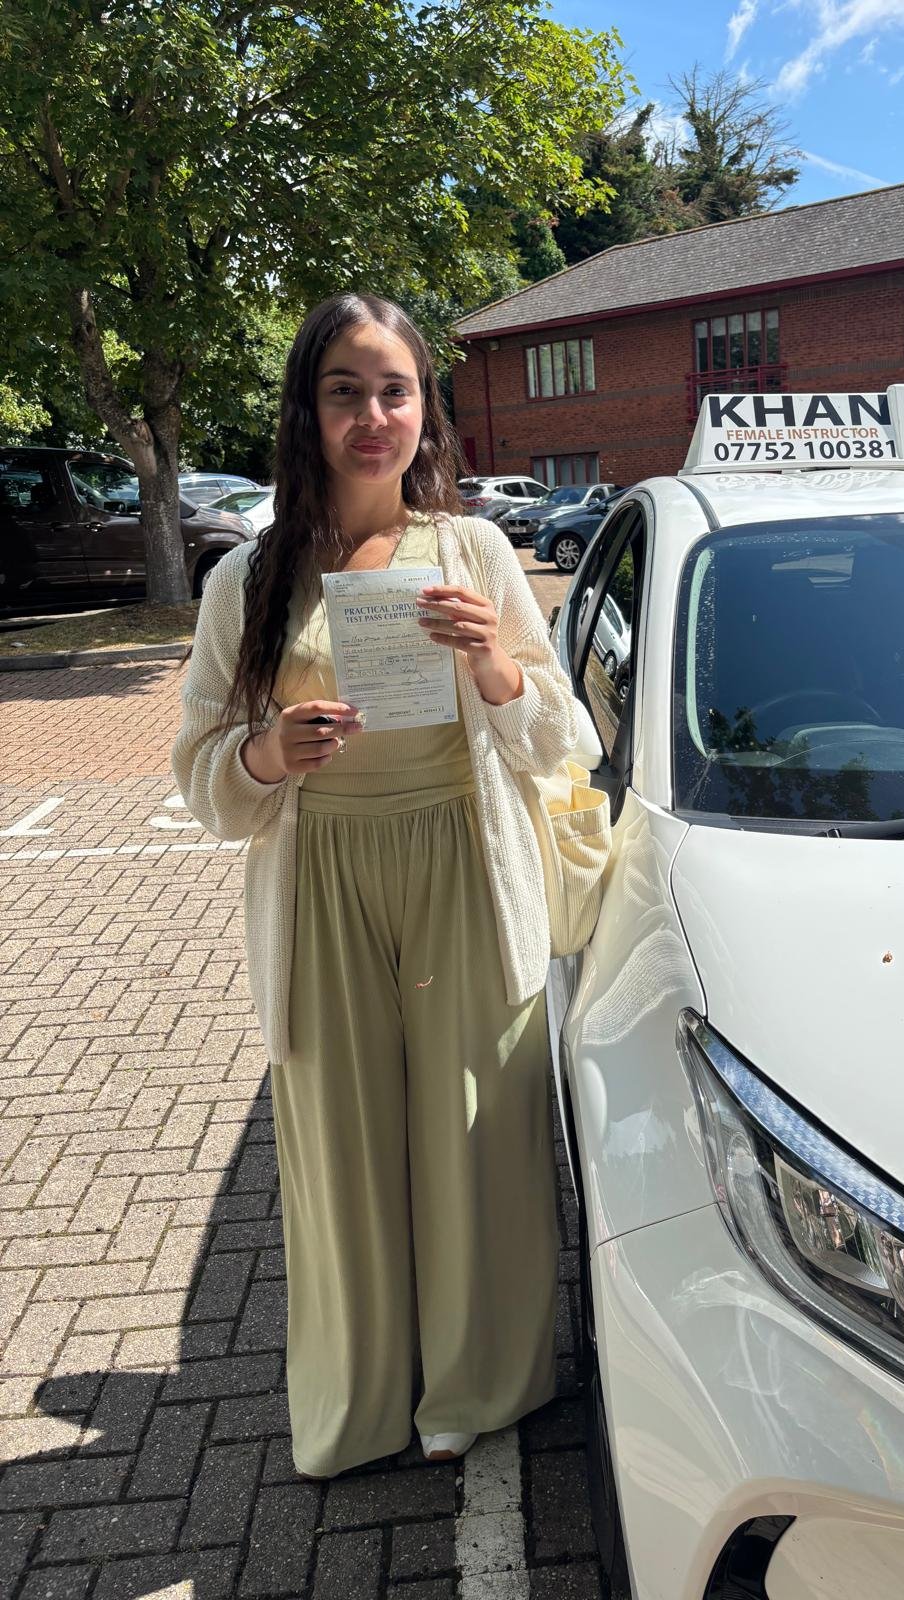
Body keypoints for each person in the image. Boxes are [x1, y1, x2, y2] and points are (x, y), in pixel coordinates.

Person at [172, 292, 577, 1477]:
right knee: (340, 1143)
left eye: (394, 388)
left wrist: (495, 661)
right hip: (325, 876)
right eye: (344, 389)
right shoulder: (245, 580)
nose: (372, 414)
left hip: (460, 851)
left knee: (473, 1126)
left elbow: (559, 741)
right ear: (304, 408)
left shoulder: (476, 552)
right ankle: (356, 1399)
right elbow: (201, 766)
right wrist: (264, 753)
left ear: (425, 409)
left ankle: (475, 1384)